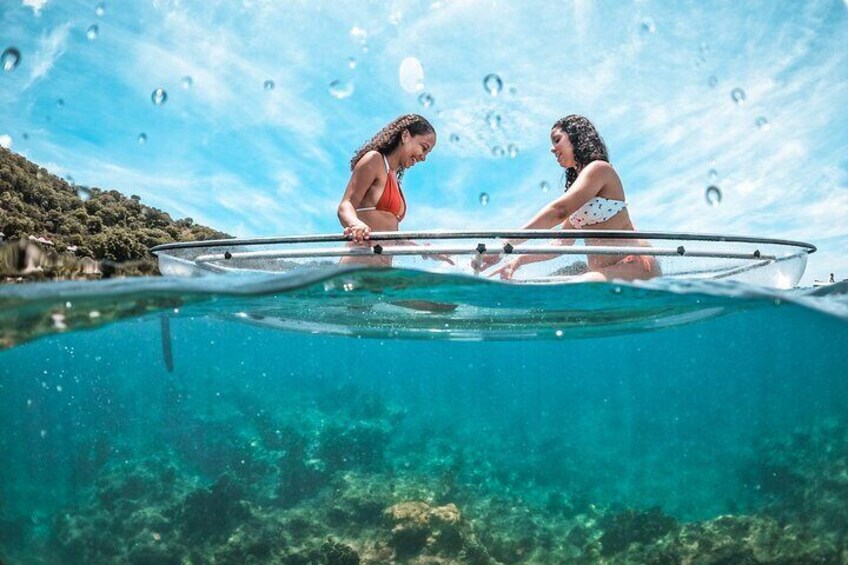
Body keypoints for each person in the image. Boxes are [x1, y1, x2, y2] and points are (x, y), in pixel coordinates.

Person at [478, 114, 660, 282]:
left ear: (577, 137)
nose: (552, 149)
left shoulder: (600, 169)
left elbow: (559, 211)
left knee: (574, 287)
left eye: (557, 140)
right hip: (604, 274)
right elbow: (560, 243)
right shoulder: (579, 194)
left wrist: (505, 244)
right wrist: (517, 261)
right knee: (563, 286)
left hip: (633, 265)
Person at [337, 113, 451, 266]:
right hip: (357, 269)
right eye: (423, 148)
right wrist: (355, 224)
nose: (424, 157)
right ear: (405, 136)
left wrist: (425, 251)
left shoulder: (395, 180)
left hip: (382, 275)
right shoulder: (374, 160)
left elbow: (391, 238)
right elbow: (346, 205)